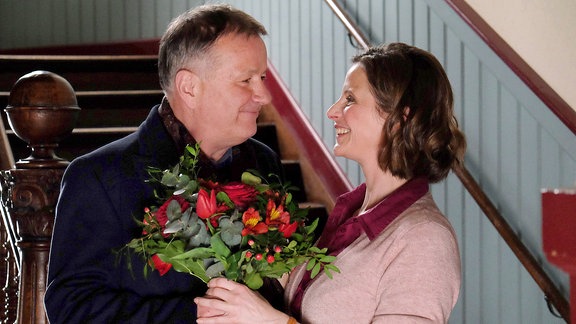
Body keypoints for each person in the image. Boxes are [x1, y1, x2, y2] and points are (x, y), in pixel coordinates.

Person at [194, 42, 467, 323]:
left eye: (350, 99)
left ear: (399, 119)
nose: (333, 111)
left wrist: (268, 320)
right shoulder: (354, 212)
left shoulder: (425, 239)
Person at [44, 4, 284, 323]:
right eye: (246, 80)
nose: (264, 95)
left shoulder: (264, 162)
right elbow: (72, 308)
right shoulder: (98, 177)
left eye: (263, 77)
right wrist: (204, 316)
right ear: (189, 88)